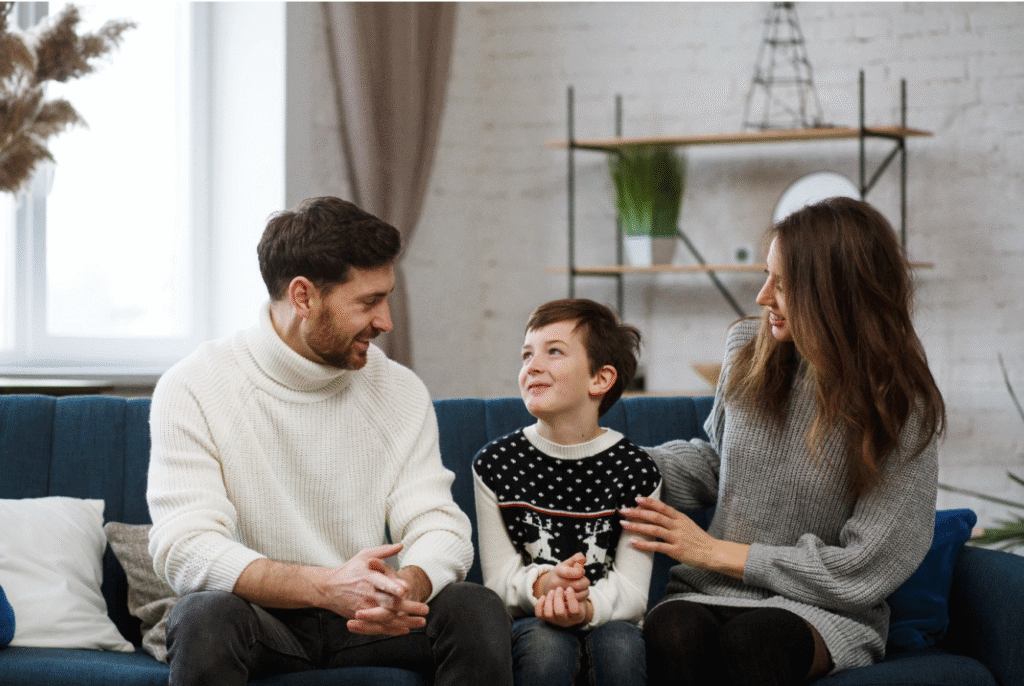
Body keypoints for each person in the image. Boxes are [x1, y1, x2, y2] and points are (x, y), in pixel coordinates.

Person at [147, 197, 513, 686]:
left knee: (474, 607)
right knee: (204, 618)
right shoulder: (194, 385)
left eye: (385, 298)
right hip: (264, 621)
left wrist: (405, 585)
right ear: (303, 297)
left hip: (374, 622)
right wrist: (325, 586)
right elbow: (185, 547)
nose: (385, 321)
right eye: (367, 302)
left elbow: (438, 524)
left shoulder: (399, 390)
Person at [622, 197, 946, 686]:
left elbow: (865, 565)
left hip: (822, 609)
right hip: (711, 591)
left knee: (755, 640)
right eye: (766, 275)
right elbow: (718, 462)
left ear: (833, 293)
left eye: (783, 283)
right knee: (673, 628)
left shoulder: (901, 405)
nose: (761, 296)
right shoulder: (747, 353)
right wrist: (614, 461)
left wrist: (714, 552)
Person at [472, 298, 662, 686]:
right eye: (527, 354)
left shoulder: (637, 471)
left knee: (621, 649)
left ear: (600, 379)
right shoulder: (494, 464)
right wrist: (545, 586)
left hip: (609, 616)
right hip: (532, 615)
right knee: (546, 648)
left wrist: (585, 607)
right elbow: (499, 581)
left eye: (554, 352)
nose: (532, 366)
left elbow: (631, 590)